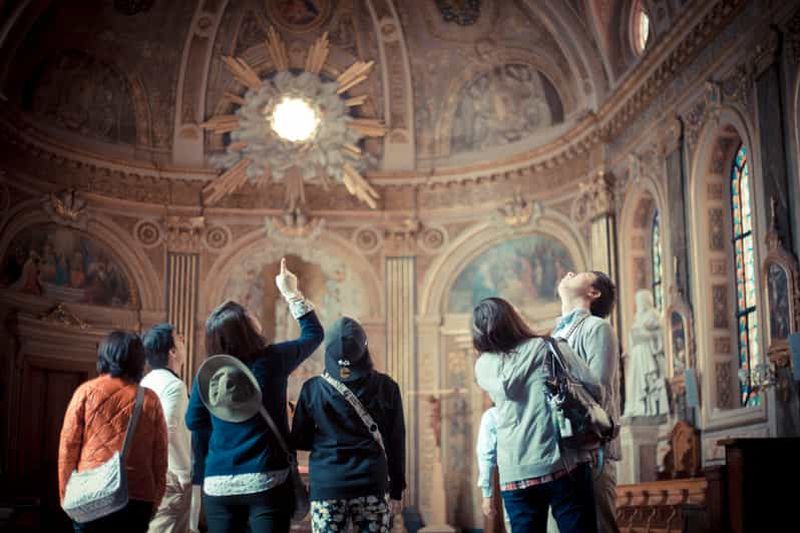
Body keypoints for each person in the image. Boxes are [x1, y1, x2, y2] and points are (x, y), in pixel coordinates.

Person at [185, 258, 323, 533]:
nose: (254, 315)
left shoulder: (209, 372)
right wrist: (290, 292)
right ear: (244, 328)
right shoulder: (271, 360)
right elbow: (313, 334)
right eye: (248, 314)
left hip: (218, 482)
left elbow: (193, 420)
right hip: (266, 479)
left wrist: (226, 432)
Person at [473, 297, 598, 533]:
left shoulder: (482, 366)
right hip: (561, 462)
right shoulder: (548, 346)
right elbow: (593, 387)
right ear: (512, 320)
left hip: (515, 472)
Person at [291, 317, 406, 533]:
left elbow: (301, 440)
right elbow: (396, 443)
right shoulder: (387, 387)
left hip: (327, 486)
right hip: (372, 484)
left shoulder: (312, 389)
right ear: (365, 349)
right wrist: (397, 489)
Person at [58, 331, 168, 532]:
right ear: (139, 360)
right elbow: (160, 457)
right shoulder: (150, 400)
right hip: (138, 496)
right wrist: (155, 500)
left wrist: (66, 495)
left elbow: (68, 448)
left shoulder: (86, 392)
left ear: (105, 354)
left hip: (91, 493)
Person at [555, 271, 621, 533]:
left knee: (599, 527)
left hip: (593, 450)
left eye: (579, 274)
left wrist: (559, 351)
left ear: (593, 293)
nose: (568, 273)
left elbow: (598, 390)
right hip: (565, 451)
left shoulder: (597, 327)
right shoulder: (560, 330)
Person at [141, 324, 193, 532]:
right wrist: (184, 476)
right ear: (172, 351)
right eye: (178, 339)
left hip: (150, 472)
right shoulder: (174, 386)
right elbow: (167, 433)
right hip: (171, 477)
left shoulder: (145, 381)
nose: (183, 341)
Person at [623, 290, 668, 417]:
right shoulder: (638, 316)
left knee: (648, 380)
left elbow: (659, 334)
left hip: (647, 351)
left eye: (640, 301)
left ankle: (650, 407)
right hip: (637, 353)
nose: (638, 304)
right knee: (636, 383)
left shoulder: (653, 314)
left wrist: (644, 334)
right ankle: (639, 407)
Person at [476, 406, 511, 533]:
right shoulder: (549, 404)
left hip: (515, 486)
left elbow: (486, 455)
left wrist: (487, 495)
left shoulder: (493, 414)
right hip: (555, 478)